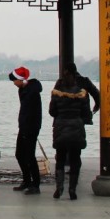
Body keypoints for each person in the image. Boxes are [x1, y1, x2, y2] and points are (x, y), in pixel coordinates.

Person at [48, 63, 89, 200]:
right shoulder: (81, 93)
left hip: (60, 128)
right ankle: (72, 189)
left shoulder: (57, 92)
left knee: (60, 159)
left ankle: (59, 188)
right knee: (75, 160)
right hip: (76, 129)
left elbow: (52, 111)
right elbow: (86, 113)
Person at [9, 66, 43, 194]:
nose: (14, 83)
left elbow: (32, 113)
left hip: (31, 127)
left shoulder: (32, 91)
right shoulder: (22, 90)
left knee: (29, 156)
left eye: (15, 80)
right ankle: (27, 180)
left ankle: (36, 184)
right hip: (23, 126)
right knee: (19, 154)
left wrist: (28, 128)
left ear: (21, 80)